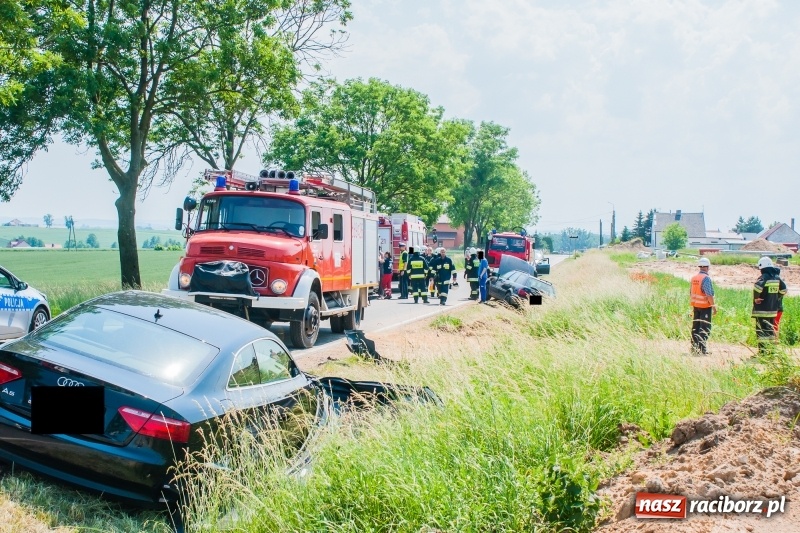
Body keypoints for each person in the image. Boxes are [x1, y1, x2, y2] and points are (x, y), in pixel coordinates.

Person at [752, 256, 787, 355]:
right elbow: (784, 290)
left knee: (761, 331)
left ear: (762, 268)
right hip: (773, 311)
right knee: (770, 331)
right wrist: (777, 297)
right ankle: (771, 352)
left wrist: (756, 298)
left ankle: (762, 352)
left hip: (762, 311)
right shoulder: (777, 278)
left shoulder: (764, 277)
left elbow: (757, 287)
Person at [690, 257, 717, 355]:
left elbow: (691, 292)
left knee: (696, 327)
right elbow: (709, 294)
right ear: (707, 267)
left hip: (696, 306)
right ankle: (702, 349)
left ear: (700, 266)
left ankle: (694, 348)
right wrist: (713, 306)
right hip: (705, 307)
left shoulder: (694, 278)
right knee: (705, 327)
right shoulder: (706, 278)